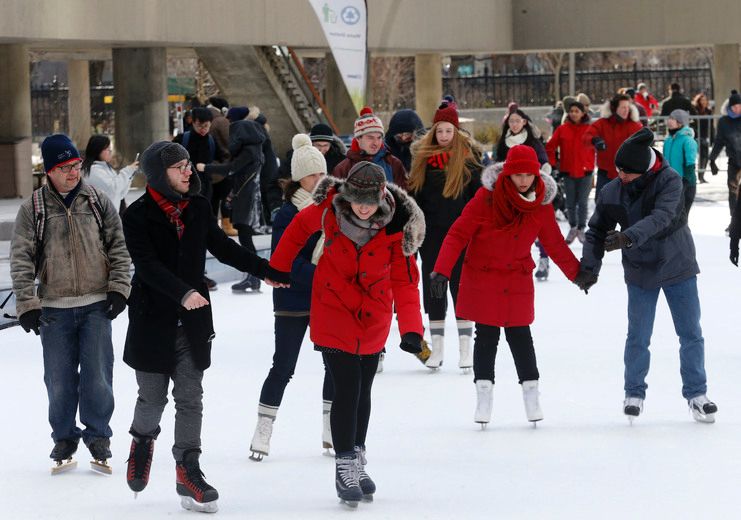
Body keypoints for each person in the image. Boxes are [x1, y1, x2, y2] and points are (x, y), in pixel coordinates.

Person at [121, 141, 288, 513]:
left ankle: (188, 469)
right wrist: (182, 293)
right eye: (178, 167)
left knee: (190, 397)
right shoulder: (137, 215)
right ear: (157, 175)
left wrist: (266, 271)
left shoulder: (197, 208)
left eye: (187, 165)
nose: (188, 172)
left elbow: (225, 249)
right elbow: (146, 266)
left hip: (192, 324)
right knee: (152, 399)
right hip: (152, 322)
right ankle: (143, 442)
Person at [268, 161, 425, 507]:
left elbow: (406, 280)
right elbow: (296, 230)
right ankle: (344, 466)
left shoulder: (395, 227)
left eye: (369, 200)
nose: (363, 206)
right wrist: (278, 266)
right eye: (357, 199)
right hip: (333, 309)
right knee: (347, 386)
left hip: (373, 317)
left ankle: (357, 457)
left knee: (364, 390)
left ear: (382, 196)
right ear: (347, 194)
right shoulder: (328, 210)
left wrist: (412, 329)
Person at [431, 145, 580, 427]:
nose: (523, 180)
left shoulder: (541, 206)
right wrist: (441, 270)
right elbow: (458, 232)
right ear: (507, 174)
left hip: (516, 278)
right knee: (486, 337)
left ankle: (531, 394)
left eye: (528, 174)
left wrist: (578, 274)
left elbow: (555, 245)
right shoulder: (486, 199)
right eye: (517, 175)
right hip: (483, 275)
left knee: (520, 336)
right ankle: (484, 396)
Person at [576, 127, 717, 423]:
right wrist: (590, 267)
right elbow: (596, 230)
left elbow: (662, 218)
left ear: (644, 168)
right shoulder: (613, 190)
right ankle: (634, 393)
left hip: (678, 264)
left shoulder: (670, 182)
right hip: (641, 270)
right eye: (618, 170)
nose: (621, 177)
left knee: (690, 333)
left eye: (627, 173)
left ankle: (697, 394)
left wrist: (626, 238)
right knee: (638, 335)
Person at [10, 134, 131, 470]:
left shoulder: (97, 201)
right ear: (49, 170)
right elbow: (21, 260)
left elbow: (119, 247)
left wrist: (120, 288)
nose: (73, 172)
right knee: (59, 379)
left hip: (96, 305)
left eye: (76, 165)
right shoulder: (33, 208)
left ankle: (98, 437)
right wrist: (28, 304)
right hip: (53, 309)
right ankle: (64, 438)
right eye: (64, 167)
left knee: (97, 376)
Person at [248, 134, 334, 461]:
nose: (319, 180)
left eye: (322, 173)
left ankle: (330, 426)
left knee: (334, 364)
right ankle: (263, 427)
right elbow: (286, 261)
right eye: (312, 175)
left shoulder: (332, 210)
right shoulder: (287, 214)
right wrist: (325, 278)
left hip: (325, 300)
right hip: (292, 299)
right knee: (283, 366)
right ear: (299, 178)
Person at [408, 102, 482, 370]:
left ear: (456, 131)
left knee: (461, 289)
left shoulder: (469, 160)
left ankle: (466, 349)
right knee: (435, 290)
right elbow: (414, 199)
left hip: (462, 236)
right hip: (433, 237)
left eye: (448, 131)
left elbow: (478, 198)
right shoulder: (423, 161)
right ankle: (437, 348)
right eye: (440, 131)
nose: (443, 136)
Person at [198, 117, 268, 293]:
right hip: (248, 197)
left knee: (245, 237)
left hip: (247, 199)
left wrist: (205, 167)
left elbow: (231, 168)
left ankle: (253, 276)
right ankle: (253, 277)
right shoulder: (256, 149)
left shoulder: (249, 152)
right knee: (246, 237)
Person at [494, 107, 552, 280]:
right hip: (508, 190)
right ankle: (512, 259)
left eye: (517, 121)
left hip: (530, 189)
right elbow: (497, 161)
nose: (514, 124)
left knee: (535, 226)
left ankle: (543, 258)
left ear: (524, 122)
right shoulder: (503, 141)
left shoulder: (532, 140)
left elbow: (543, 160)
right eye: (511, 121)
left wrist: (540, 175)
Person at [546, 100, 594, 243]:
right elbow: (550, 147)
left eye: (576, 111)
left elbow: (599, 145)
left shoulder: (590, 129)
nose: (573, 114)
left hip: (586, 171)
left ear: (582, 113)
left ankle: (581, 229)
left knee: (583, 202)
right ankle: (573, 227)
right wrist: (553, 165)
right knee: (570, 203)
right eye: (571, 111)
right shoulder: (562, 129)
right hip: (568, 171)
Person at [332, 107, 408, 190]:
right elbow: (337, 199)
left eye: (379, 138)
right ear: (358, 139)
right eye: (370, 138)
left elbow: (403, 199)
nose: (376, 143)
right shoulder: (342, 169)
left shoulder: (394, 164)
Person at [585, 93, 643, 198]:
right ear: (614, 108)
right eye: (622, 107)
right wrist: (595, 140)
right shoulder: (602, 123)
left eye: (627, 107)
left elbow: (645, 142)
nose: (626, 110)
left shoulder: (634, 126)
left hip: (627, 175)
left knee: (626, 207)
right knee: (602, 205)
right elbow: (587, 136)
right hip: (605, 174)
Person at [81, 134, 139, 213]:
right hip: (99, 219)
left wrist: (129, 177)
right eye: (107, 149)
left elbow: (120, 194)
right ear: (97, 149)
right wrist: (127, 171)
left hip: (110, 217)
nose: (110, 151)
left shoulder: (107, 168)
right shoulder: (93, 170)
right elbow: (113, 189)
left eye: (110, 148)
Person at [709, 90, 741, 220]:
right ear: (730, 107)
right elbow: (719, 142)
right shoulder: (724, 122)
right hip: (734, 160)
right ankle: (734, 221)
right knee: (733, 192)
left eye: (739, 106)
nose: (737, 109)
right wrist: (712, 160)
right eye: (734, 106)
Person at [663, 109, 698, 216]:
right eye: (669, 118)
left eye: (672, 119)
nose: (669, 121)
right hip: (669, 182)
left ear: (680, 122)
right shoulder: (668, 140)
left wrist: (686, 182)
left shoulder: (688, 140)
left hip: (684, 182)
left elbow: (690, 163)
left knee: (681, 216)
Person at [691, 92, 714, 183]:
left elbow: (711, 126)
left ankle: (702, 176)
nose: (704, 102)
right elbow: (693, 124)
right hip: (697, 136)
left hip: (705, 136)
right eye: (702, 100)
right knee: (700, 156)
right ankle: (698, 176)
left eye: (705, 100)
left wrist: (712, 138)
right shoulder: (695, 110)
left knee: (705, 156)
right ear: (698, 101)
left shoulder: (709, 111)